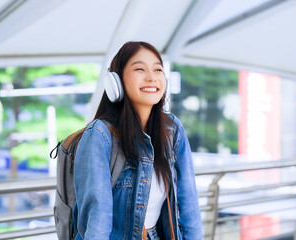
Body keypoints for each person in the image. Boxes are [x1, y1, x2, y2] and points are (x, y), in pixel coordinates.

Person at [73, 41, 202, 240]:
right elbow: (98, 220)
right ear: (115, 81)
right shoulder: (100, 136)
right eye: (140, 69)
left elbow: (189, 204)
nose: (152, 77)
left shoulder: (172, 129)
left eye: (158, 69)